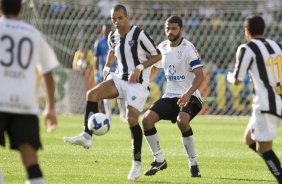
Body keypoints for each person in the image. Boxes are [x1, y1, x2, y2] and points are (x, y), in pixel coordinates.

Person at [63, 4, 161, 181]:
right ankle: (86, 135)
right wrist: (107, 67)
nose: (116, 22)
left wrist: (139, 68)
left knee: (131, 118)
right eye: (113, 19)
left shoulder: (139, 34)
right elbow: (111, 51)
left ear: (127, 17)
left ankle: (136, 164)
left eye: (119, 18)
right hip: (119, 78)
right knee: (91, 94)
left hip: (137, 83)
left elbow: (157, 55)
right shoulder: (112, 36)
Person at [0, 0, 59, 184]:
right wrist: (50, 107)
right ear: (21, 9)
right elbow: (48, 71)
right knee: (31, 162)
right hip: (25, 104)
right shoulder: (33, 33)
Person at [142, 15, 204, 177]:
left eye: (174, 28)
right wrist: (144, 85)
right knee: (146, 120)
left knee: (182, 121)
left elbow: (200, 76)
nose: (170, 31)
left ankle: (193, 163)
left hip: (191, 96)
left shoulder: (188, 48)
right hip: (170, 96)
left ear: (181, 29)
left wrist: (187, 94)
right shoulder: (161, 47)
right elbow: (155, 68)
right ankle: (159, 159)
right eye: (167, 28)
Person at [227, 15, 282, 183]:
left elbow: (237, 80)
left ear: (246, 31)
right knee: (249, 138)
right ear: (263, 29)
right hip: (278, 98)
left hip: (265, 102)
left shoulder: (247, 48)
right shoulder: (278, 46)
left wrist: (229, 76)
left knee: (264, 148)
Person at [94, 24, 126, 122]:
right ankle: (108, 114)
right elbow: (96, 58)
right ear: (102, 31)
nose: (106, 32)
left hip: (116, 71)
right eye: (105, 30)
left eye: (108, 30)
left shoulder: (116, 41)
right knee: (105, 93)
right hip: (105, 72)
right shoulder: (99, 42)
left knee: (120, 93)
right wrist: (96, 71)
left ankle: (122, 114)